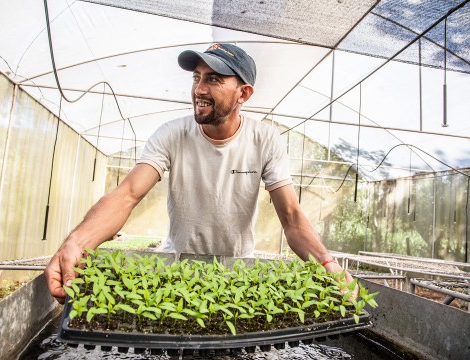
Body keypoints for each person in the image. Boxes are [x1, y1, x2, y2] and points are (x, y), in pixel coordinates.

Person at [45, 43, 356, 304]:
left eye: (214, 80)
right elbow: (127, 194)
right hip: (176, 267)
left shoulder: (265, 140)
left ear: (243, 94)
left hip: (236, 270)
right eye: (197, 78)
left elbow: (291, 216)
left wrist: (327, 263)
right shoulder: (172, 134)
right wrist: (77, 242)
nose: (199, 90)